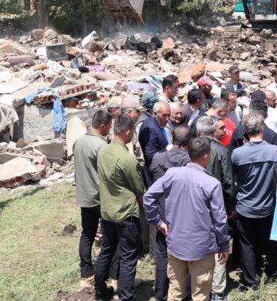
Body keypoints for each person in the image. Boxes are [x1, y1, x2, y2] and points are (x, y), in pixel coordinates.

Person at [143, 137, 230, 301]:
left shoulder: (172, 174)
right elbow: (220, 220)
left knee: (175, 292)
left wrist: (158, 222)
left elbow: (148, 197)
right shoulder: (212, 183)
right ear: (206, 156)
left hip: (176, 243)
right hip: (202, 248)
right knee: (200, 294)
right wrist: (224, 245)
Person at [94, 116, 146, 301]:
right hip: (125, 213)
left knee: (106, 250)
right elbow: (139, 188)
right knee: (128, 257)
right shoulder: (127, 159)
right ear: (127, 132)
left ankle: (99, 291)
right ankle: (126, 296)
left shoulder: (103, 152)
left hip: (107, 211)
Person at [231, 112, 277, 290]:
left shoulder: (237, 154)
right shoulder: (274, 151)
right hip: (267, 205)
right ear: (262, 128)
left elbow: (235, 176)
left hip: (245, 206)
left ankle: (251, 280)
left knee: (247, 245)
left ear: (245, 130)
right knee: (270, 241)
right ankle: (272, 274)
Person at [147, 125, 192, 301]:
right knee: (184, 259)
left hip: (162, 215)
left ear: (172, 139)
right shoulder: (190, 162)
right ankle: (183, 293)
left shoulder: (158, 159)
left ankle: (160, 294)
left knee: (162, 257)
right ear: (189, 142)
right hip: (184, 217)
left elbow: (152, 182)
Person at [72, 110, 112, 288]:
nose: (110, 130)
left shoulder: (78, 142)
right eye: (109, 126)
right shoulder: (101, 146)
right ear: (102, 125)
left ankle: (86, 274)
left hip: (84, 195)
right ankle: (107, 272)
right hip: (100, 197)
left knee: (87, 234)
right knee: (110, 235)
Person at [138, 101, 170, 186]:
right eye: (164, 115)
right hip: (154, 176)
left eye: (169, 115)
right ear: (154, 114)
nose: (167, 118)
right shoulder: (151, 128)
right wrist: (168, 150)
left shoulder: (156, 124)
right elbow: (150, 156)